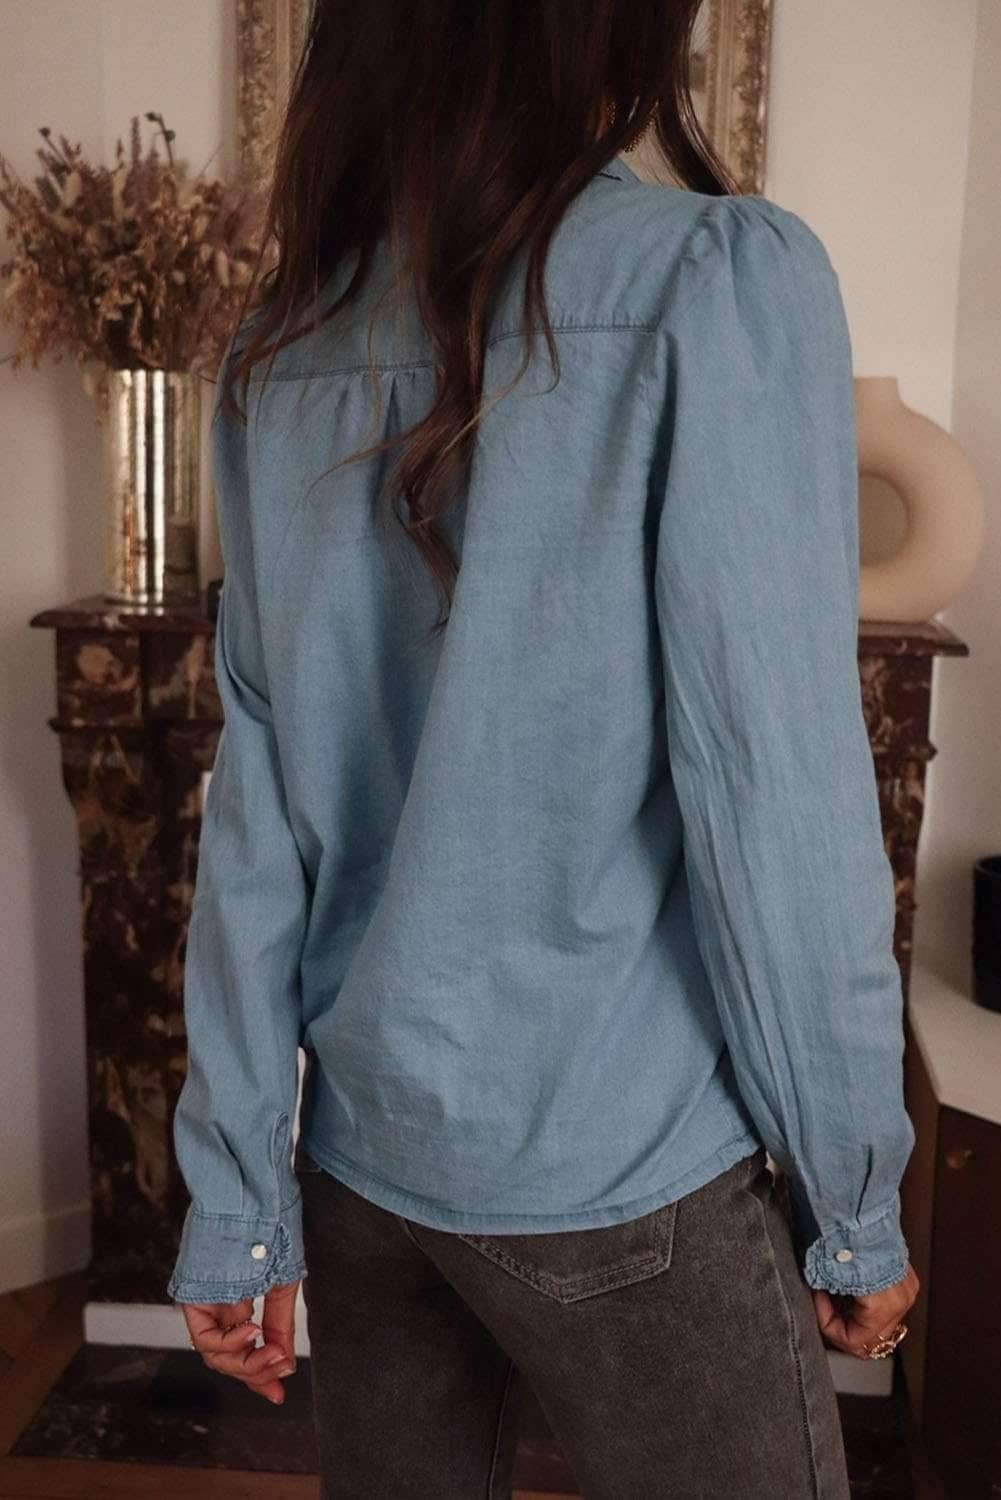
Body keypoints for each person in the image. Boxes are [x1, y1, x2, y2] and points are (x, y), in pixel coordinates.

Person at [166, 2, 920, 1495]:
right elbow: (773, 796)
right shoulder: (712, 281)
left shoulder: (282, 347)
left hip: (368, 1172)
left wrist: (236, 1205)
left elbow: (253, 815)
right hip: (622, 1168)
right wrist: (855, 1198)